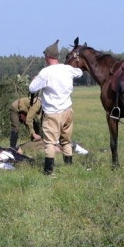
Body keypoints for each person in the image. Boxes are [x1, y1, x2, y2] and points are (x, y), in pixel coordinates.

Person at [28, 40, 83, 176]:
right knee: (66, 141)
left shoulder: (45, 72)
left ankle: (48, 171)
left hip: (52, 113)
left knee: (50, 143)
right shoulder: (67, 69)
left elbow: (32, 88)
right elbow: (80, 73)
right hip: (68, 111)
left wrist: (35, 79)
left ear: (47, 56)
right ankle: (68, 167)